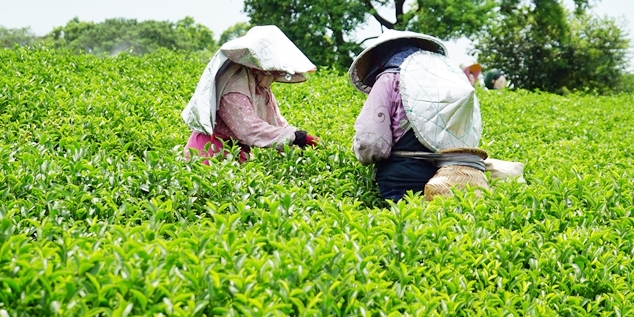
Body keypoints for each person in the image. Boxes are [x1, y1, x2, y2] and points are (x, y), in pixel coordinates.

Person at [350, 30, 483, 200]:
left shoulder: (389, 78)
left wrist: (360, 153)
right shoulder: (447, 81)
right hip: (450, 178)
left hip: (402, 179)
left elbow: (371, 143)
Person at [182, 25, 319, 162]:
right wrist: (297, 137)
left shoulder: (259, 86)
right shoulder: (234, 86)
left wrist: (299, 142)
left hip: (235, 154)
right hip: (209, 153)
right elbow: (249, 129)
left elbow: (276, 123)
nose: (276, 76)